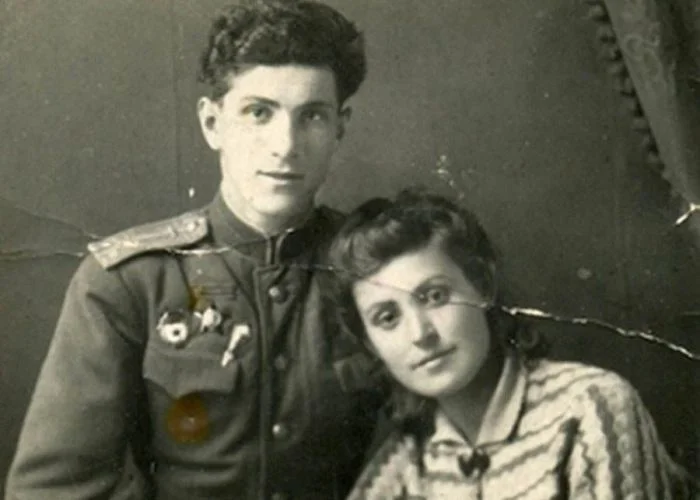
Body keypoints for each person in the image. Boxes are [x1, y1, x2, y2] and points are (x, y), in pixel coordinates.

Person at [5, 1, 383, 499]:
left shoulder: (380, 268)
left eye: (311, 115)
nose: (285, 144)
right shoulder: (130, 280)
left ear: (340, 127)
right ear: (212, 123)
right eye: (259, 113)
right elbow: (53, 489)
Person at [326, 189, 696, 499]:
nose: (420, 333)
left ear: (483, 287)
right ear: (370, 344)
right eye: (387, 318)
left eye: (435, 296)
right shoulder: (400, 469)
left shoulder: (590, 408)